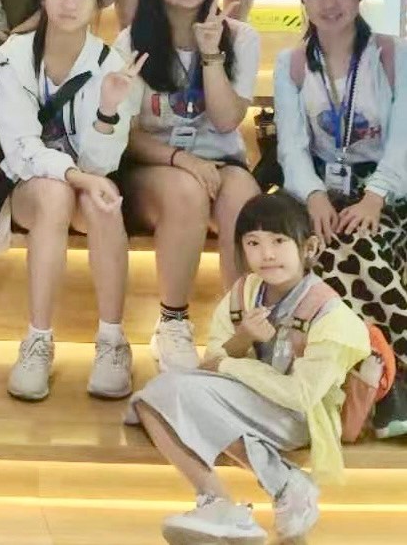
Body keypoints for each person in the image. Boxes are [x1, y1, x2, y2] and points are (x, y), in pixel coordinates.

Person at [129, 193, 370, 545]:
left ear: (309, 247)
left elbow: (301, 396)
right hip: (248, 402)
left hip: (302, 418)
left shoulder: (331, 316)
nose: (266, 254)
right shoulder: (244, 292)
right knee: (150, 402)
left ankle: (253, 493)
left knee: (164, 395)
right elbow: (211, 364)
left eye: (279, 241)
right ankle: (234, 498)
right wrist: (242, 339)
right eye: (253, 243)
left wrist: (232, 365)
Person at [0, 0, 144, 403]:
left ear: (98, 2)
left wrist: (108, 110)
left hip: (89, 184)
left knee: (103, 199)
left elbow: (102, 165)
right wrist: (76, 177)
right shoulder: (13, 56)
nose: (69, 2)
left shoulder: (112, 64)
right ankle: (37, 340)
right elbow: (21, 150)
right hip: (31, 188)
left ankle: (112, 340)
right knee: (56, 195)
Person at [115, 0, 263, 373]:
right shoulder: (131, 41)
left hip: (222, 161)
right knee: (186, 191)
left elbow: (227, 121)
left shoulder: (240, 37)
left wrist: (211, 54)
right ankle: (173, 322)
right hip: (153, 164)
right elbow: (125, 135)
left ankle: (238, 327)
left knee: (244, 196)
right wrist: (184, 160)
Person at [273, 0, 407, 435]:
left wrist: (376, 194)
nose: (329, 4)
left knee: (358, 247)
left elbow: (404, 137)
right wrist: (312, 196)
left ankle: (387, 379)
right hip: (320, 190)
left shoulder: (392, 55)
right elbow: (290, 147)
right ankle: (389, 380)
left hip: (386, 191)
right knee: (318, 249)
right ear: (302, 0)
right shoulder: (292, 64)